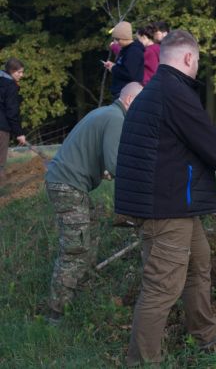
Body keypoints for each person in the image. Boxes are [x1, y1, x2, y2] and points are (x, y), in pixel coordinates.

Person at [114, 30, 216, 366]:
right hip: (165, 207)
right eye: (197, 60)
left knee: (199, 262)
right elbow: (208, 139)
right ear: (188, 58)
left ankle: (206, 333)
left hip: (173, 203)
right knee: (161, 287)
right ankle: (141, 362)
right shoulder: (172, 91)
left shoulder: (160, 89)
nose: (197, 66)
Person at [44, 82, 144, 321]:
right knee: (75, 249)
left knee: (92, 229)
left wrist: (100, 170)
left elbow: (95, 155)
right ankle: (55, 313)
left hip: (66, 182)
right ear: (130, 100)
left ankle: (80, 287)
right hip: (68, 185)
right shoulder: (116, 119)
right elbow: (116, 164)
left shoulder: (103, 112)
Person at [0, 58, 27, 184]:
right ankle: (3, 190)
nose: (22, 75)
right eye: (19, 72)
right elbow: (12, 112)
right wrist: (19, 133)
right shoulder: (10, 85)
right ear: (11, 71)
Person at [103, 21, 144, 99]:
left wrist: (113, 68)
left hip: (127, 95)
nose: (116, 43)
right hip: (121, 92)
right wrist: (113, 65)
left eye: (117, 40)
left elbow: (129, 74)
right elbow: (123, 67)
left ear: (123, 38)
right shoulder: (125, 49)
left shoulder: (134, 51)